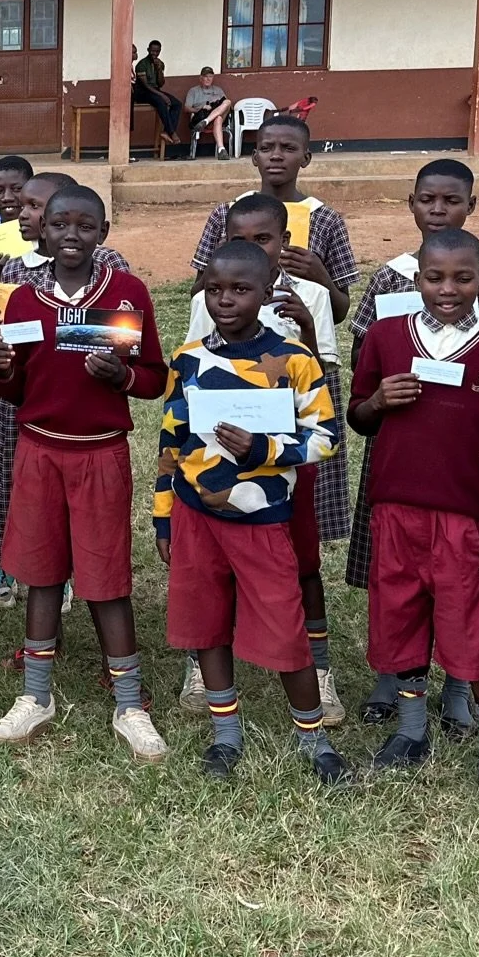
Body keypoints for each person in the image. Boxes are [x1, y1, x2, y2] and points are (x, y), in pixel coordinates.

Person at [0, 185, 170, 762]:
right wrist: (0, 365)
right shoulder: (23, 301)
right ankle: (36, 696)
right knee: (41, 573)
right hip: (39, 451)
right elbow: (14, 390)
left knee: (105, 575)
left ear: (103, 231)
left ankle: (130, 703)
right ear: (40, 230)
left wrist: (121, 376)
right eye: (59, 223)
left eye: (84, 225)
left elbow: (155, 379)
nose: (70, 234)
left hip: (100, 452)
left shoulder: (128, 292)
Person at [346, 158, 479, 726]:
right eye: (434, 279)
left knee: (465, 606)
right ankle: (406, 711)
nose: (447, 289)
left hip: (466, 492)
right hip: (400, 481)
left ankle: (463, 695)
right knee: (398, 596)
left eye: (462, 279)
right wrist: (379, 401)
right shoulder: (386, 312)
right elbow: (361, 399)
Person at [156, 239, 347, 786]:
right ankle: (226, 733)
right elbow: (170, 441)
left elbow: (325, 438)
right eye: (214, 290)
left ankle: (312, 736)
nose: (225, 300)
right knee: (207, 624)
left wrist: (263, 451)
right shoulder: (189, 358)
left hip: (263, 520)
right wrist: (164, 514)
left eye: (241, 289)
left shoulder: (295, 360)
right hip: (198, 517)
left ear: (267, 292)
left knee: (285, 625)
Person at [190, 114, 357, 542]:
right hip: (233, 375)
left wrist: (319, 275)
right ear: (254, 155)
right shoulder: (227, 212)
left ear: (307, 157)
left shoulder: (325, 219)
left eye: (287, 148)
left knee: (299, 497)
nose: (276, 156)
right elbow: (202, 287)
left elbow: (336, 309)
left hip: (296, 366)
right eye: (267, 148)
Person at [0, 171, 132, 612]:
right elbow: (10, 346)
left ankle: (74, 587)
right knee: (20, 496)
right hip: (31, 412)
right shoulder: (16, 272)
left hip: (89, 425)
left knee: (93, 538)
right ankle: (13, 568)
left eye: (34, 205)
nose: (23, 213)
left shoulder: (115, 275)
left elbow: (126, 344)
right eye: (31, 210)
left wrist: (114, 370)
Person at [133, 41, 183, 140]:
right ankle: (172, 132)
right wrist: (162, 95)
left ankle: (166, 131)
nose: (154, 53)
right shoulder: (142, 64)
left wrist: (159, 69)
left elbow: (160, 83)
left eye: (157, 51)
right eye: (152, 51)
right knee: (161, 101)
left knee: (177, 104)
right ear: (148, 50)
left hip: (155, 91)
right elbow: (146, 85)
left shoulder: (160, 64)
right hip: (142, 92)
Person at [184, 68, 230, 158]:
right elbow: (186, 108)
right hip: (201, 116)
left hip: (214, 117)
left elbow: (226, 106)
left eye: (210, 76)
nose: (208, 79)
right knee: (218, 118)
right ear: (200, 78)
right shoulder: (193, 91)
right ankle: (221, 149)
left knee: (227, 102)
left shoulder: (218, 90)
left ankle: (207, 121)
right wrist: (201, 108)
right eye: (205, 76)